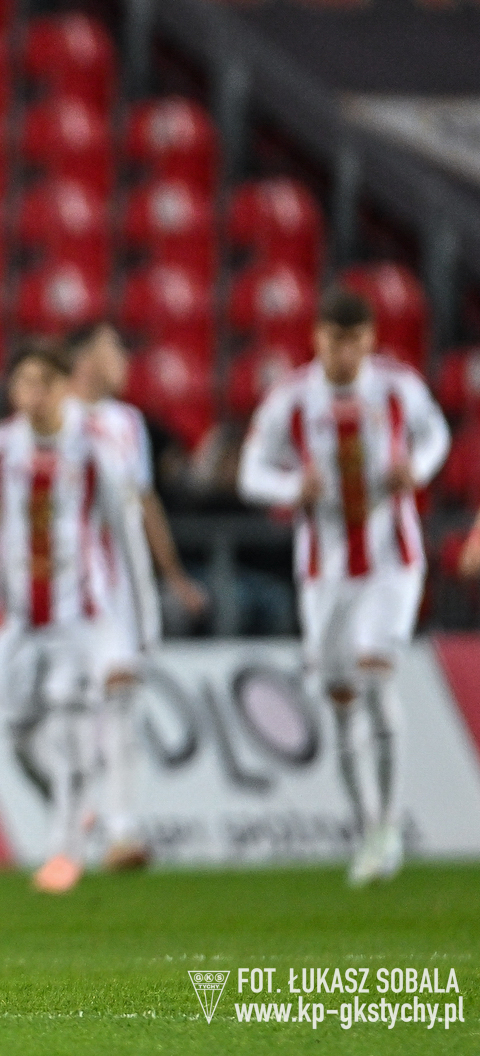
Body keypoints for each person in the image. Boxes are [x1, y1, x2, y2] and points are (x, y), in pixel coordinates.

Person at [239, 287, 449, 886]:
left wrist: (417, 468)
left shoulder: (398, 388)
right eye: (334, 340)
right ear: (317, 339)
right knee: (341, 700)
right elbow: (251, 472)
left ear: (371, 339)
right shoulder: (291, 399)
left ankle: (388, 828)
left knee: (377, 675)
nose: (345, 352)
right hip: (324, 573)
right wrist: (291, 489)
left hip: (392, 560)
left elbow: (435, 436)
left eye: (355, 340)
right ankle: (366, 830)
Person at [0, 340, 159, 894]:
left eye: (45, 383)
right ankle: (75, 809)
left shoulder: (95, 451)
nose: (34, 394)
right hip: (16, 618)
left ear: (65, 388)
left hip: (78, 618)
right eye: (25, 383)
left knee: (69, 730)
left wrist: (143, 626)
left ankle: (63, 853)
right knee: (17, 733)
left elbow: (127, 539)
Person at [65, 322, 206, 871]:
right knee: (60, 712)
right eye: (113, 349)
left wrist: (171, 575)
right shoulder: (59, 421)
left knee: (121, 695)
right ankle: (79, 811)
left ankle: (120, 830)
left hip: (119, 586)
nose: (124, 359)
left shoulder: (127, 423)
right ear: (84, 360)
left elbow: (143, 501)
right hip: (65, 590)